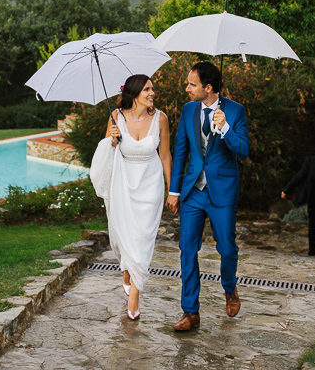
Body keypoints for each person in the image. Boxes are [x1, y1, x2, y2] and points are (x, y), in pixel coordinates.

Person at [166, 61, 249, 331]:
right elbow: (181, 151)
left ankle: (229, 287)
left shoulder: (235, 111)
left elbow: (243, 150)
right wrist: (175, 191)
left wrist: (225, 128)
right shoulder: (189, 109)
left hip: (222, 191)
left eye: (192, 84)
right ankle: (190, 312)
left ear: (208, 87)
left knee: (227, 248)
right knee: (187, 250)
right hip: (193, 192)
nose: (187, 88)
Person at [104, 74, 171, 321]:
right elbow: (106, 156)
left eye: (152, 89)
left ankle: (135, 295)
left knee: (143, 237)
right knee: (124, 238)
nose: (152, 93)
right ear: (133, 94)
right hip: (122, 183)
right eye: (147, 89)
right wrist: (110, 140)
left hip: (150, 185)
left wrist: (172, 189)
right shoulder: (116, 118)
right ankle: (126, 271)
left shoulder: (161, 118)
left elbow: (165, 156)